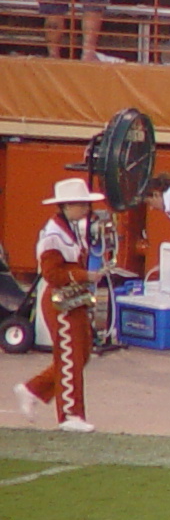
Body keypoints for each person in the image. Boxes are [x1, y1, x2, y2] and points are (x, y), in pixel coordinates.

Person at [13, 179, 103, 432]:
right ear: (67, 206)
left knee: (79, 355)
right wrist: (85, 276)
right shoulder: (54, 235)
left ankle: (33, 389)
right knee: (70, 356)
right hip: (61, 301)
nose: (86, 209)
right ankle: (70, 414)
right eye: (82, 204)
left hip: (72, 298)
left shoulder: (70, 229)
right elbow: (52, 275)